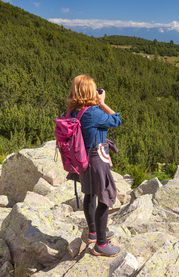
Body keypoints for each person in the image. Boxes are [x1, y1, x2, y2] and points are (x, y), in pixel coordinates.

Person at [66, 74, 122, 257]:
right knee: (104, 199)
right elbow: (117, 120)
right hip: (96, 159)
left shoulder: (72, 111)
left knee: (89, 194)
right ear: (90, 91)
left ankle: (93, 232)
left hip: (81, 160)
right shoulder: (93, 113)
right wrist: (102, 102)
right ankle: (101, 244)